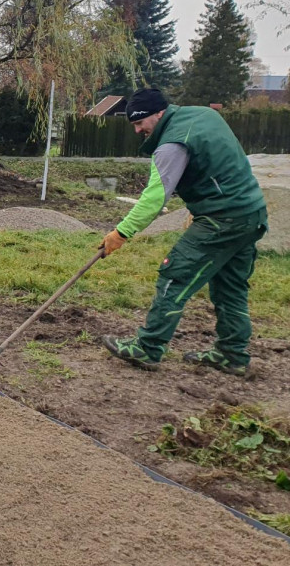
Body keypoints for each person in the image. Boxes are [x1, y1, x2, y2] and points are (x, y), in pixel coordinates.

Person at [101, 88, 268, 375]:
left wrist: (121, 233)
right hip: (251, 212)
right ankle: (232, 354)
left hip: (221, 218)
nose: (138, 130)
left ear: (158, 113)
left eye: (139, 123)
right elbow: (218, 161)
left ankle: (148, 347)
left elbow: (155, 198)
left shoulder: (172, 143)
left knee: (174, 275)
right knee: (230, 287)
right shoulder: (203, 115)